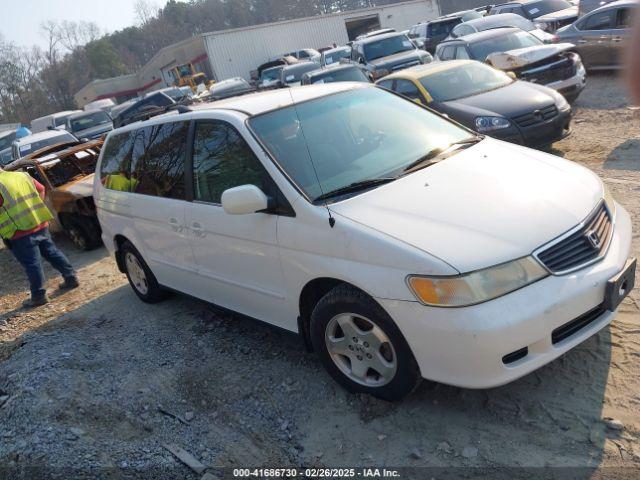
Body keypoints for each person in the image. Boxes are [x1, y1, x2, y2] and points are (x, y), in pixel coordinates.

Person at [0, 166, 79, 307]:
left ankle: (38, 295)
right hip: (38, 222)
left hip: (18, 231)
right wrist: (35, 206)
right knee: (52, 253)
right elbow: (41, 188)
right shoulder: (22, 176)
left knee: (32, 264)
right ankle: (71, 277)